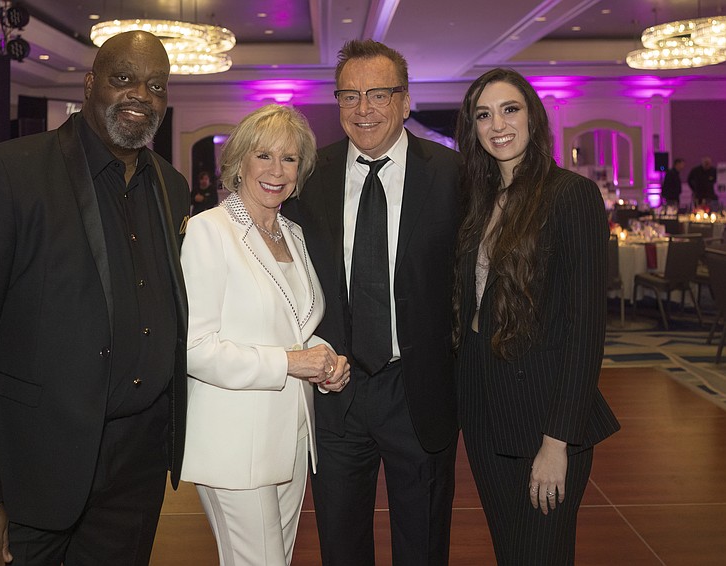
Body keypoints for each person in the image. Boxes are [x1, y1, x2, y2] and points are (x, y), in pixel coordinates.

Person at [0, 31, 190, 566]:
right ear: (90, 85)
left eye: (156, 85)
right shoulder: (6, 172)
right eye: (123, 78)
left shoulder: (171, 186)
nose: (141, 94)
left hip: (137, 471)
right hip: (30, 471)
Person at [282, 40, 461, 565]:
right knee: (340, 545)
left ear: (405, 101)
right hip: (336, 390)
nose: (364, 109)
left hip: (419, 390)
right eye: (350, 95)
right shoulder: (308, 176)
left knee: (423, 545)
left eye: (379, 94)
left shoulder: (453, 174)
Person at [452, 67, 620, 565]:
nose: (497, 124)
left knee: (541, 553)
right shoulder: (478, 201)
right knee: (511, 553)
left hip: (545, 415)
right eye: (484, 115)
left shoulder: (571, 195)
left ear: (533, 117)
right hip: (484, 408)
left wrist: (557, 441)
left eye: (510, 109)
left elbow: (586, 330)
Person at [180, 103, 349, 566]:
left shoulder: (293, 234)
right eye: (264, 156)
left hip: (293, 437)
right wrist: (292, 363)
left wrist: (325, 359)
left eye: (289, 158)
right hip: (234, 443)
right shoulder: (209, 231)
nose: (277, 170)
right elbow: (194, 348)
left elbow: (295, 326)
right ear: (239, 163)